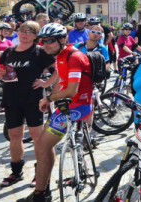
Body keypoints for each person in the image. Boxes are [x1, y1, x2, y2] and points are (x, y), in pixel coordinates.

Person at [18, 23, 93, 202]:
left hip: (78, 106)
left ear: (62, 39)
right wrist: (52, 97)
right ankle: (43, 189)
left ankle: (41, 194)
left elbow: (71, 91)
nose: (45, 45)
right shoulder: (61, 55)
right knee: (44, 142)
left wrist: (48, 99)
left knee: (42, 146)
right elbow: (61, 80)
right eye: (42, 41)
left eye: (50, 41)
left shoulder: (74, 56)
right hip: (66, 105)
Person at [0, 21, 56, 186]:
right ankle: (16, 172)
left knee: (37, 137)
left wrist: (46, 83)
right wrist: (0, 75)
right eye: (23, 30)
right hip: (11, 99)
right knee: (15, 136)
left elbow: (57, 69)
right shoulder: (8, 51)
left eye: (30, 31)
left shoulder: (39, 52)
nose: (25, 34)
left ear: (36, 36)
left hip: (33, 100)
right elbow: (1, 72)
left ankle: (40, 172)